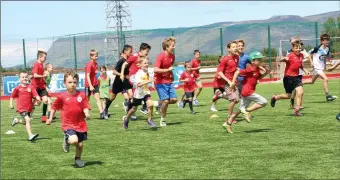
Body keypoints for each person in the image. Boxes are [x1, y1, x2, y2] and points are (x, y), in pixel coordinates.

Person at [47, 70, 91, 168]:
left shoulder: (82, 95)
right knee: (74, 140)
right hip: (68, 124)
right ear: (64, 83)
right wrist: (50, 118)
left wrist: (87, 113)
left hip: (80, 124)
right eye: (70, 82)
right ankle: (67, 139)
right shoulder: (62, 96)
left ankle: (78, 159)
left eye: (74, 82)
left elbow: (85, 106)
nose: (72, 84)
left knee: (80, 145)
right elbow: (54, 107)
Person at [223, 52, 270, 133]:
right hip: (248, 92)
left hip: (247, 92)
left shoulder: (257, 69)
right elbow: (237, 72)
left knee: (240, 110)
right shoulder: (250, 69)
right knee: (264, 102)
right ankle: (247, 111)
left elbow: (258, 77)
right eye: (259, 60)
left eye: (261, 59)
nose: (261, 61)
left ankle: (228, 123)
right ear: (253, 61)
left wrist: (266, 73)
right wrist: (233, 82)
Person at [271, 41, 305, 116]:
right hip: (288, 78)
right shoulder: (290, 56)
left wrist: (305, 70)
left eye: (299, 48)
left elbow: (299, 65)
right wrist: (281, 59)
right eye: (296, 48)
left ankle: (296, 111)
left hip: (296, 77)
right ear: (293, 49)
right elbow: (283, 59)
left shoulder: (301, 55)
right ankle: (275, 97)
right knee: (288, 96)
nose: (298, 49)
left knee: (300, 92)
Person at [122, 56, 156, 129]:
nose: (147, 64)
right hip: (138, 94)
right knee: (134, 109)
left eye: (147, 63)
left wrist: (152, 84)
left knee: (150, 105)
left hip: (146, 92)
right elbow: (139, 84)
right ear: (140, 65)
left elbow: (151, 76)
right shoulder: (138, 74)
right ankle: (126, 119)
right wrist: (149, 81)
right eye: (145, 63)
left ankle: (149, 120)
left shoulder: (147, 72)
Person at [303, 33, 337, 102]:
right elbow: (309, 54)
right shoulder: (317, 48)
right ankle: (327, 96)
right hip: (316, 68)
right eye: (325, 40)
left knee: (311, 81)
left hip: (320, 68)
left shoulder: (327, 48)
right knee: (326, 79)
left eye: (328, 40)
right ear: (322, 41)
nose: (327, 41)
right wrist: (311, 62)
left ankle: (300, 83)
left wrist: (327, 64)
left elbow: (326, 57)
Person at [10, 71, 41, 141]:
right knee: (28, 119)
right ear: (19, 79)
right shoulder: (18, 88)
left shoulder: (31, 87)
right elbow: (12, 96)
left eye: (26, 77)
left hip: (29, 108)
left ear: (28, 78)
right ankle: (30, 135)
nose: (24, 78)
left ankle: (16, 121)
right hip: (21, 108)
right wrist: (11, 104)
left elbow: (36, 95)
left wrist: (38, 99)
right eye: (22, 77)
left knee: (24, 122)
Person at [104, 45, 133, 119]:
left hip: (125, 82)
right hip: (118, 82)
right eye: (130, 51)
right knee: (112, 97)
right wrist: (122, 74)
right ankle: (105, 109)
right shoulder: (121, 60)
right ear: (125, 51)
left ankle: (129, 113)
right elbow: (114, 72)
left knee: (131, 96)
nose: (131, 53)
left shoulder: (129, 60)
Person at [154, 37, 177, 127]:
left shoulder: (172, 56)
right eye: (172, 46)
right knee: (166, 101)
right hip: (160, 82)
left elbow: (170, 68)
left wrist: (172, 75)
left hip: (168, 81)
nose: (174, 47)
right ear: (166, 47)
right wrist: (167, 69)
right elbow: (155, 69)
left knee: (174, 100)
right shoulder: (160, 56)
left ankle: (158, 104)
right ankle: (163, 119)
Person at [216, 41, 240, 119]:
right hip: (227, 83)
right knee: (233, 99)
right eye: (233, 47)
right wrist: (229, 81)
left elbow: (233, 68)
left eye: (236, 46)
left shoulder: (237, 57)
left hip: (234, 82)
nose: (235, 48)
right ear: (228, 49)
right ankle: (229, 118)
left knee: (236, 100)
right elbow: (219, 72)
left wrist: (236, 70)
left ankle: (221, 95)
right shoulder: (225, 59)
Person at [286, 37, 312, 109]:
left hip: (300, 72)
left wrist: (310, 63)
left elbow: (308, 56)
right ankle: (294, 102)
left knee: (299, 89)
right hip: (293, 74)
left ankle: (297, 104)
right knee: (296, 89)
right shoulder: (289, 52)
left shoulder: (302, 49)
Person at [126, 43, 152, 115]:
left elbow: (145, 67)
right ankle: (142, 107)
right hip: (133, 77)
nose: (147, 53)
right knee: (139, 91)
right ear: (142, 50)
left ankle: (131, 105)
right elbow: (125, 63)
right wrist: (124, 74)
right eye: (146, 51)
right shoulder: (134, 56)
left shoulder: (145, 58)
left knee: (141, 92)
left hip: (140, 77)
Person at [85, 49, 104, 118]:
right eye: (95, 56)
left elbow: (95, 72)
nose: (97, 57)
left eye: (97, 56)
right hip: (88, 85)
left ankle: (102, 113)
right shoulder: (89, 65)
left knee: (98, 98)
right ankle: (86, 114)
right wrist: (90, 85)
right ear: (91, 56)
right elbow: (87, 76)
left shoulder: (96, 64)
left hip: (95, 84)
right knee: (87, 100)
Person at [31, 50, 49, 123]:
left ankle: (44, 117)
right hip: (35, 87)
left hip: (41, 87)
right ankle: (30, 107)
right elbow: (35, 75)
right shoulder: (36, 64)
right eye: (44, 57)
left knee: (46, 100)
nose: (45, 59)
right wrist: (43, 76)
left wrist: (43, 79)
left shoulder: (41, 65)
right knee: (38, 103)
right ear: (40, 57)